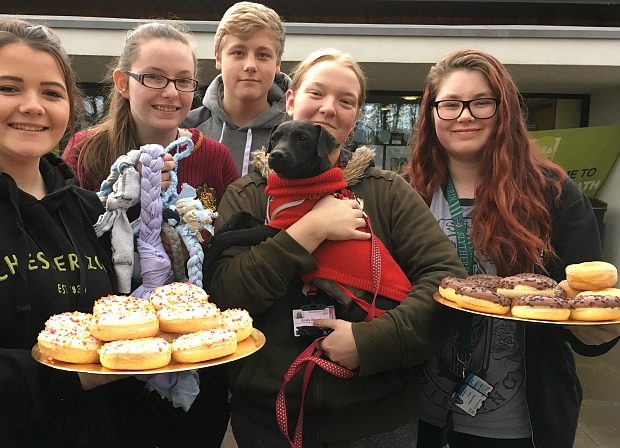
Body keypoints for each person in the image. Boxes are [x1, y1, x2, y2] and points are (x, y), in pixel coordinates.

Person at [204, 48, 468, 448]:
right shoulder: (248, 196)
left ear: (356, 116)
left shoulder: (389, 193)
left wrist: (371, 342)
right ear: (290, 101)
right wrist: (309, 230)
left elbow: (446, 283)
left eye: (346, 101)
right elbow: (227, 295)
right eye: (316, 93)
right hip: (268, 418)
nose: (329, 108)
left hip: (377, 418)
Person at [0, 18, 124, 447]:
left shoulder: (90, 210)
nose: (33, 106)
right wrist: (86, 373)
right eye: (9, 88)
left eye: (51, 92)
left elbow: (117, 319)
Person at [406, 48, 620, 448]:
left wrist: (598, 333)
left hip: (518, 425)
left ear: (503, 110)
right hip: (417, 414)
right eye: (450, 104)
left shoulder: (554, 194)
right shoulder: (408, 193)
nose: (465, 115)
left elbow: (586, 306)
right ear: (432, 113)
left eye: (481, 103)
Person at [62, 21, 239, 448]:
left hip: (197, 350)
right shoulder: (86, 150)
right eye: (154, 77)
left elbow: (227, 244)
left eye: (183, 81)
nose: (170, 92)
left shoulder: (211, 154)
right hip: (115, 358)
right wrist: (129, 197)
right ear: (123, 82)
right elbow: (66, 243)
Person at [182, 1, 291, 176]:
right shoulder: (185, 129)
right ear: (218, 58)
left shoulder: (296, 133)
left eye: (262, 55)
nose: (250, 65)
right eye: (238, 53)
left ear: (277, 63)